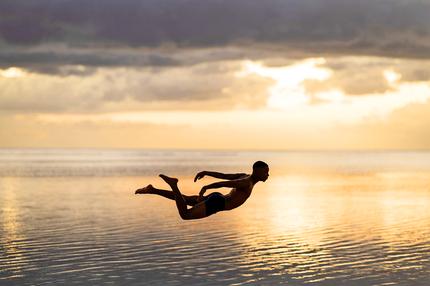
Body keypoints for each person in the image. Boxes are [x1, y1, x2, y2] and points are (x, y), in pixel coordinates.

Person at [135, 161, 269, 220]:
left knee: (186, 199)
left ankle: (153, 190)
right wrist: (207, 187)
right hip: (217, 203)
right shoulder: (247, 182)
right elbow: (226, 183)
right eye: (266, 172)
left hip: (217, 198)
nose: (267, 175)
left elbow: (224, 175)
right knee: (185, 215)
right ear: (258, 171)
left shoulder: (244, 176)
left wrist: (206, 172)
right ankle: (173, 185)